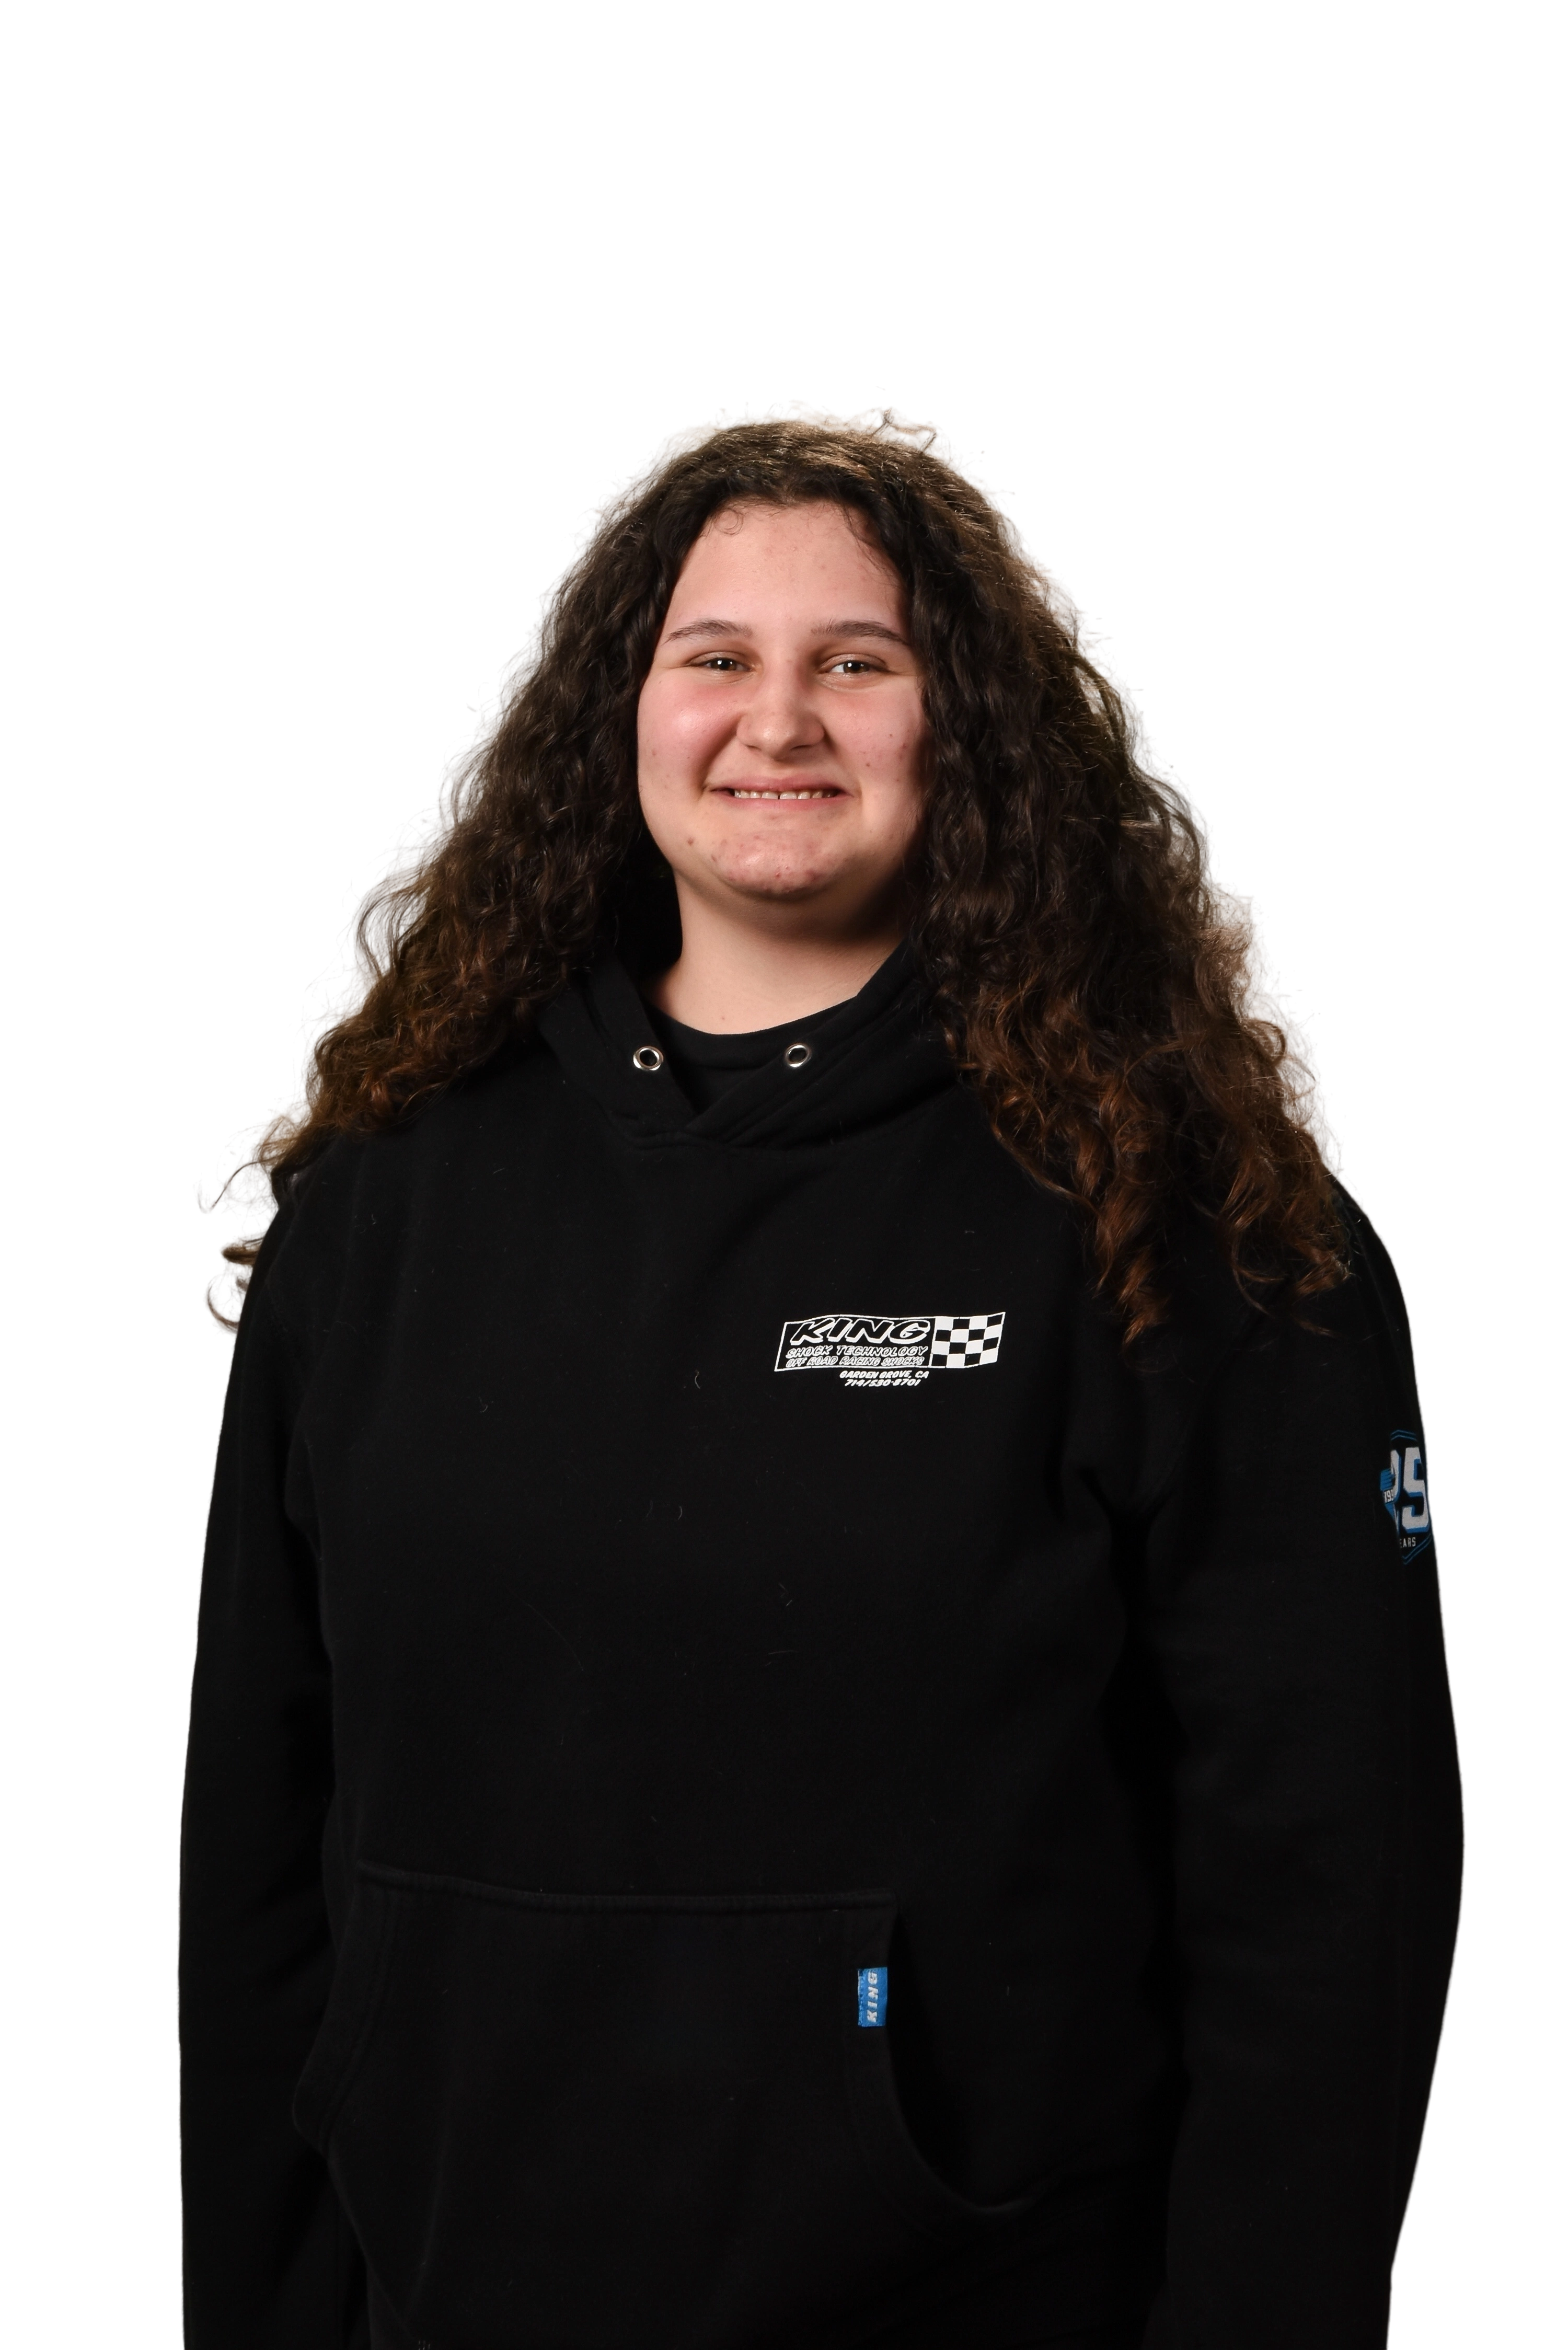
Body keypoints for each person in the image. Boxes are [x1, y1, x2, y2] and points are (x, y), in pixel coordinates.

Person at [177, 400, 1463, 2350]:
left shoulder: (1183, 1219)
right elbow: (261, 1849)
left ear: (968, 731)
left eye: (857, 663)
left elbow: (1328, 1890)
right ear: (621, 716)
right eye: (716, 658)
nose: (775, 720)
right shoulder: (386, 1196)